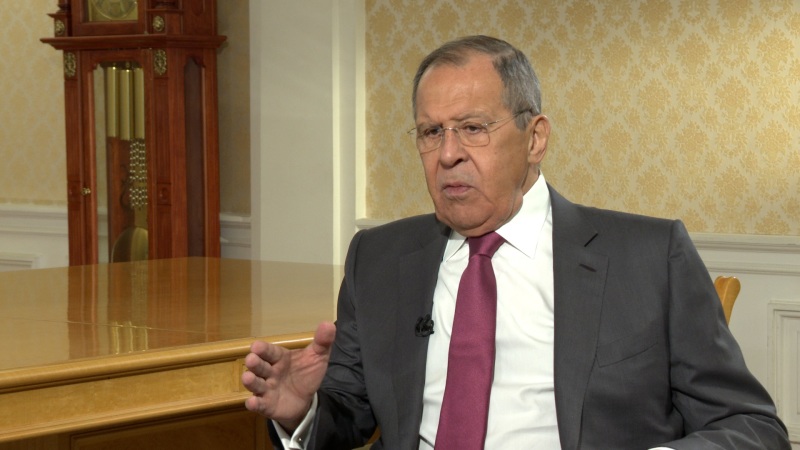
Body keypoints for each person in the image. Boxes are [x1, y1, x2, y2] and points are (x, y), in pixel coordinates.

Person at [242, 35, 789, 449]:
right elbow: (348, 417)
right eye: (431, 132)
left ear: (535, 138)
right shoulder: (380, 258)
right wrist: (301, 411)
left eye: (473, 128)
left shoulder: (646, 256)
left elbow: (751, 425)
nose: (448, 154)